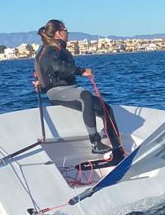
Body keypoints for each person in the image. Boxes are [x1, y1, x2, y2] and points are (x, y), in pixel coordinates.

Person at [35, 19, 122, 157]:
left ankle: (117, 147)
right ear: (58, 33)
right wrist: (81, 71)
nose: (67, 33)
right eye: (65, 30)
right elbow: (56, 67)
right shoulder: (49, 50)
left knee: (105, 109)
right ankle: (95, 143)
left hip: (70, 89)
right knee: (85, 95)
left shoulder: (59, 49)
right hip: (56, 91)